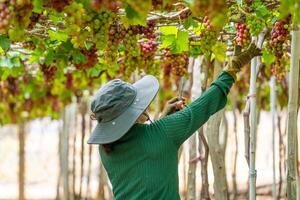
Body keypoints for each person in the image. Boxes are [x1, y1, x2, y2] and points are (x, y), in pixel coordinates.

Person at [87, 43, 261, 200]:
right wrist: (233, 67)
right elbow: (203, 105)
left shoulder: (106, 149)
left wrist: (162, 117)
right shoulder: (163, 133)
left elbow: (146, 151)